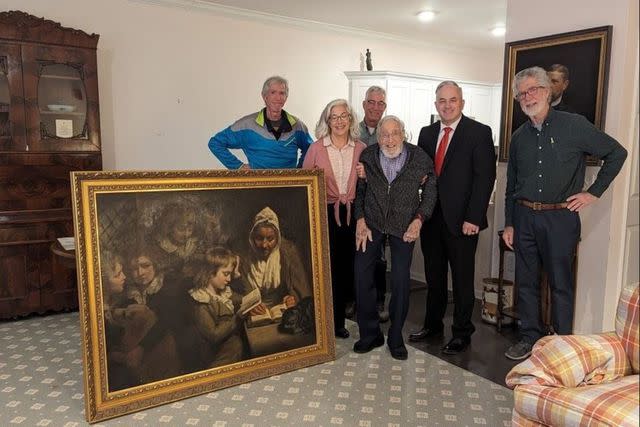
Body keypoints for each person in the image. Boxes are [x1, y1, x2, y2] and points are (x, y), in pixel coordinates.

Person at [502, 66, 627, 361]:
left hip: (560, 218)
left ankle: (561, 342)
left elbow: (616, 153)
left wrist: (593, 193)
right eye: (522, 93)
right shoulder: (519, 137)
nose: (528, 96)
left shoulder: (574, 125)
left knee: (561, 283)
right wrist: (509, 223)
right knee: (527, 282)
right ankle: (530, 337)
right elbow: (511, 186)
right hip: (524, 217)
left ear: (548, 91)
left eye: (533, 89)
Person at [409, 81, 496, 355]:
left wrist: (474, 217)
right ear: (436, 105)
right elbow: (421, 173)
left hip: (463, 222)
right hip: (431, 218)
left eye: (453, 100)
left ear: (462, 103)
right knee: (433, 277)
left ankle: (462, 332)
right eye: (442, 101)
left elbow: (485, 179)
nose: (447, 105)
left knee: (461, 279)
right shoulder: (426, 133)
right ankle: (433, 325)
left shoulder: (479, 132)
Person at [353, 115, 437, 360]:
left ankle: (396, 337)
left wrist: (419, 219)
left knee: (400, 281)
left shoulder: (419, 158)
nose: (390, 140)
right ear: (378, 138)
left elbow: (430, 192)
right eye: (385, 135)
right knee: (361, 275)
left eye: (395, 133)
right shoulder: (368, 156)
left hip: (404, 226)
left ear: (403, 134)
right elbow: (360, 192)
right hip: (372, 223)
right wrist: (360, 219)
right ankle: (370, 334)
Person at [302, 98, 366, 339]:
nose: (339, 121)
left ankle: (340, 321)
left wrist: (366, 174)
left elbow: (369, 184)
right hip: (325, 213)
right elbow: (305, 185)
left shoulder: (360, 148)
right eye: (334, 117)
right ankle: (326, 322)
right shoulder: (316, 148)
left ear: (350, 119)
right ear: (327, 121)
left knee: (348, 270)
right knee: (327, 270)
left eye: (343, 116)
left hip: (353, 213)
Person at [208, 75, 313, 169]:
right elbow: (215, 143)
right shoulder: (247, 125)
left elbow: (311, 150)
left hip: (291, 187)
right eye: (273, 93)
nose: (278, 98)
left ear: (286, 98)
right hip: (258, 187)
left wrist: (301, 171)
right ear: (264, 96)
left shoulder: (297, 125)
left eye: (282, 93)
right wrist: (238, 167)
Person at [357, 85, 390, 322]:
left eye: (380, 103)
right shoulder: (351, 131)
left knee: (378, 256)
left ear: (384, 107)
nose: (375, 107)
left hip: (381, 204)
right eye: (371, 102)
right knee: (357, 253)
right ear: (364, 104)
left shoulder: (390, 131)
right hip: (354, 201)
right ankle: (355, 301)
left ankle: (378, 302)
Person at [242, 206, 311, 311]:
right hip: (256, 315)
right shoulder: (245, 257)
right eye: (259, 238)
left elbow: (301, 290)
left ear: (277, 237)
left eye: (270, 239)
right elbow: (237, 293)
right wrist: (249, 306)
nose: (264, 245)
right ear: (252, 237)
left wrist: (292, 298)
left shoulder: (288, 253)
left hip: (283, 311)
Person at [187, 248, 247, 369]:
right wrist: (237, 318)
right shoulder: (201, 301)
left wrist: (237, 274)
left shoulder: (223, 293)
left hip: (232, 346)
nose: (229, 279)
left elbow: (244, 297)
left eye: (230, 274)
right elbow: (214, 335)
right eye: (226, 274)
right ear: (210, 273)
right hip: (216, 354)